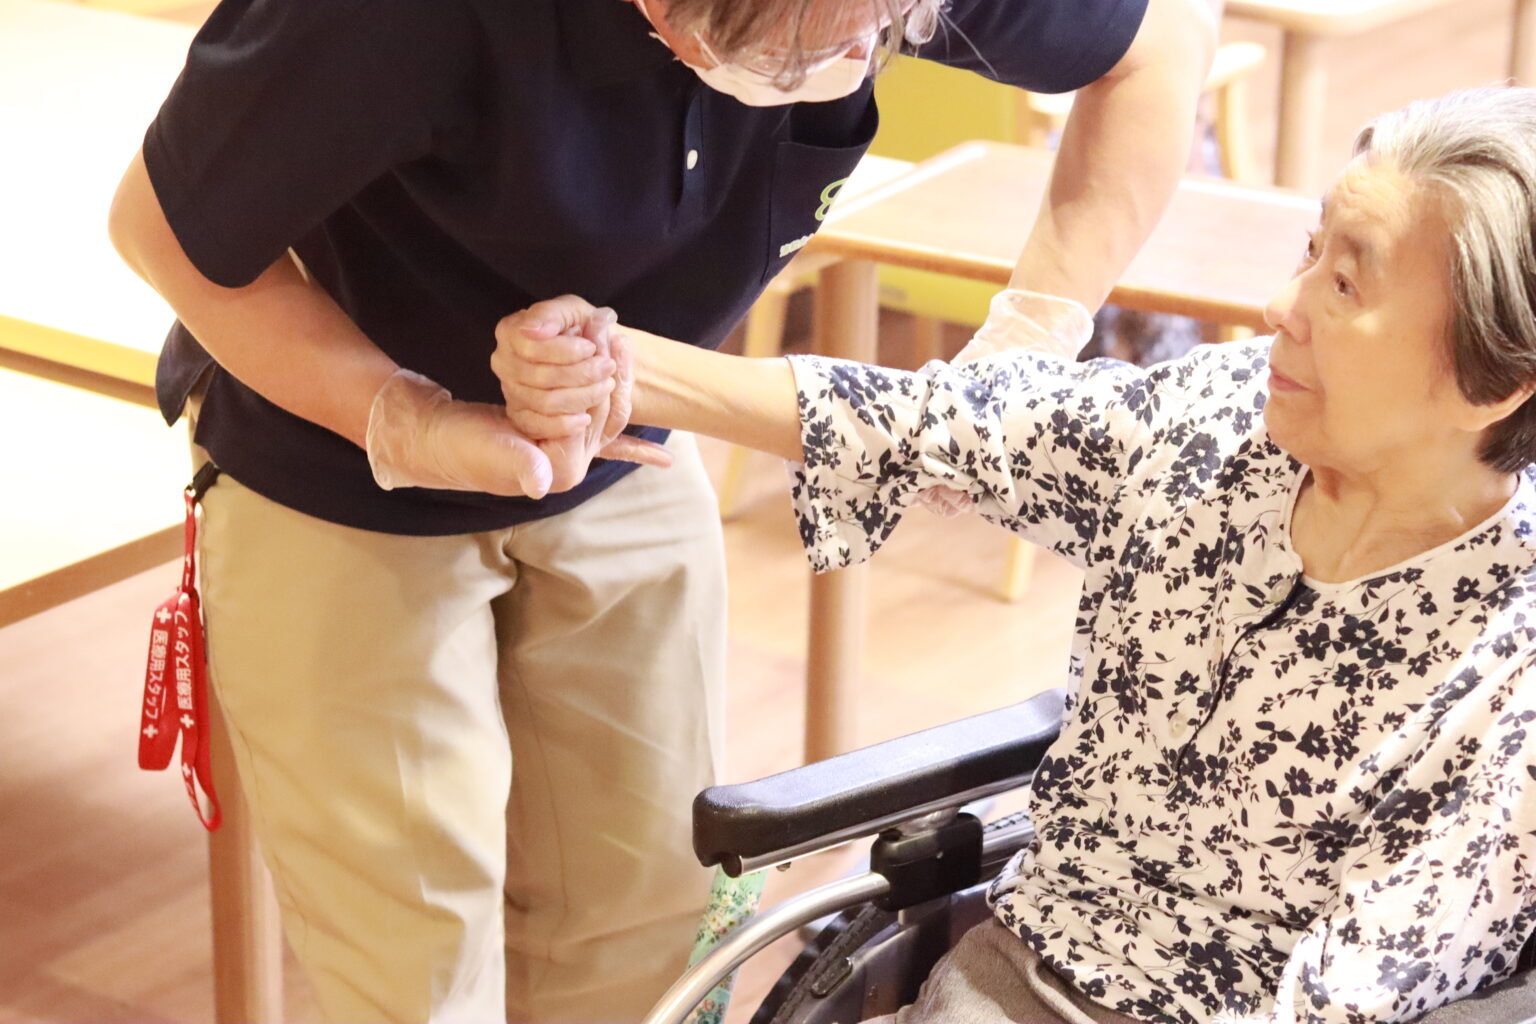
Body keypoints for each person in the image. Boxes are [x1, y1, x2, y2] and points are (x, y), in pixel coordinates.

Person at [105, 0, 1216, 1019]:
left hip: (627, 452)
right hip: (333, 471)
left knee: (655, 929)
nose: (832, 68)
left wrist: (1033, 333)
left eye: (857, 37)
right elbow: (162, 230)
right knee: (412, 959)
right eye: (760, 43)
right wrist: (402, 416)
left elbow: (1157, 37)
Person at [500, 85, 1536, 1023]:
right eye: (1308, 251)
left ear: (1491, 384)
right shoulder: (1221, 419)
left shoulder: (1510, 682)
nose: (1282, 308)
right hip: (1002, 980)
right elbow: (928, 423)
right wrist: (613, 368)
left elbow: (1346, 997)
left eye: (1346, 286)